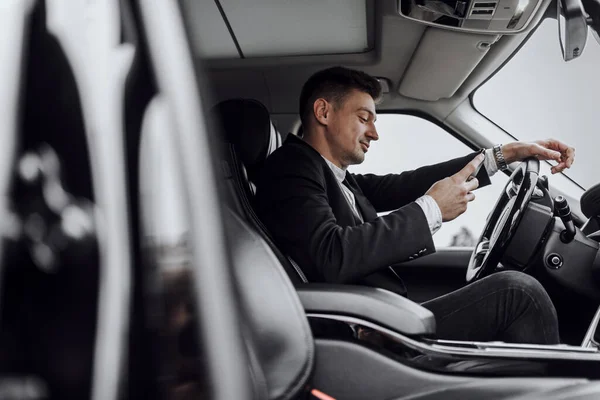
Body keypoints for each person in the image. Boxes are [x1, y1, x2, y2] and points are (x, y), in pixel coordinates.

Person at [255, 66, 576, 344]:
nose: (375, 133)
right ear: (323, 112)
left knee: (517, 293)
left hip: (387, 316)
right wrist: (433, 208)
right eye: (364, 118)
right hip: (366, 331)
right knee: (519, 293)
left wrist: (504, 155)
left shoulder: (337, 176)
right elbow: (331, 254)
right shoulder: (292, 166)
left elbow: (403, 184)